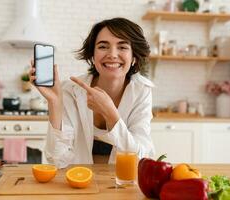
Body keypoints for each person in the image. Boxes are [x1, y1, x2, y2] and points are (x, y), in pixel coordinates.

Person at [29, 17, 155, 168]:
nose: (113, 54)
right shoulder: (70, 90)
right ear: (92, 56)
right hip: (78, 181)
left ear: (134, 57)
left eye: (122, 47)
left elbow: (141, 158)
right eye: (103, 46)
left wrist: (110, 114)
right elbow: (57, 160)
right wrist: (54, 103)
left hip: (121, 185)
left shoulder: (141, 92)